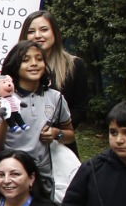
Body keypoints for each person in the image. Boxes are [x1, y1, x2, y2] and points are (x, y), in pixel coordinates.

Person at [0, 41, 73, 197]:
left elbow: (70, 135)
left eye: (39, 59)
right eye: (26, 60)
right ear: (14, 65)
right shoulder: (0, 98)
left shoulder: (56, 98)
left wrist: (56, 133)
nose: (34, 64)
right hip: (9, 175)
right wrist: (6, 120)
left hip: (42, 176)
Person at [21, 10, 89, 157]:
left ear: (55, 33)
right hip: (24, 144)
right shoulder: (16, 65)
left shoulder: (74, 65)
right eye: (31, 31)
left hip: (60, 144)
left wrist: (58, 131)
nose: (38, 35)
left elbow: (80, 107)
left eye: (44, 29)